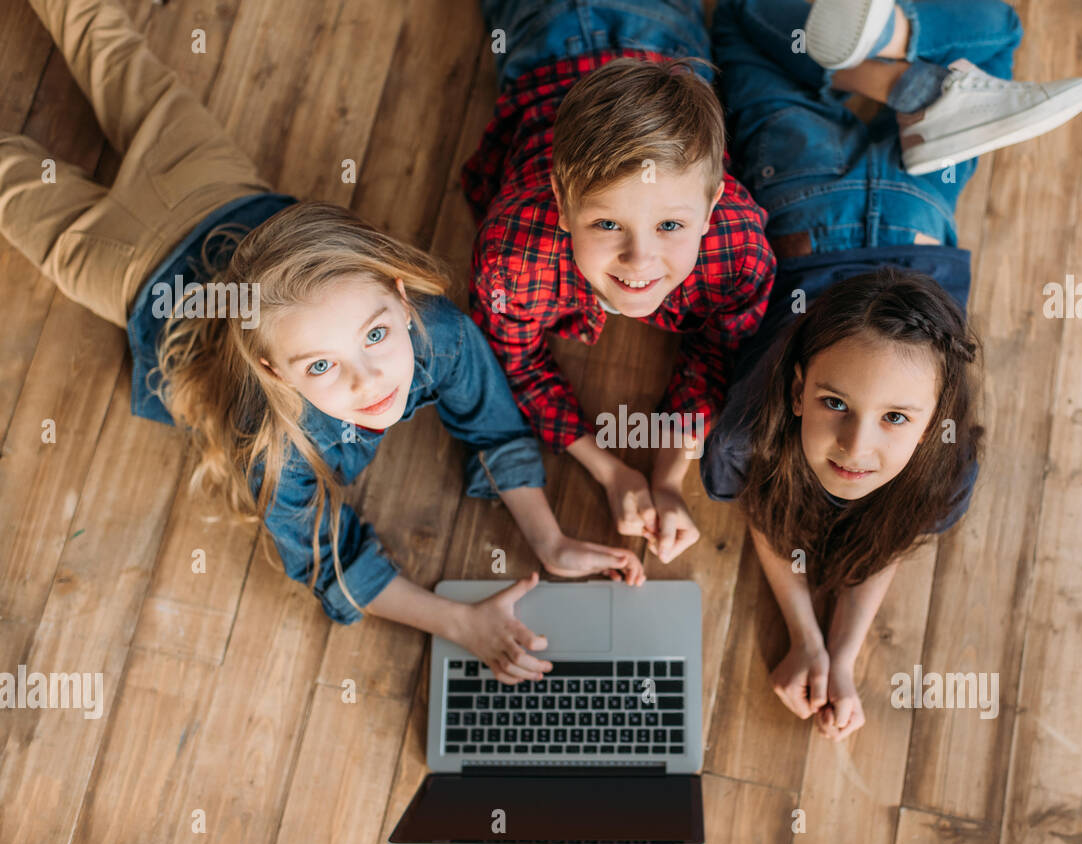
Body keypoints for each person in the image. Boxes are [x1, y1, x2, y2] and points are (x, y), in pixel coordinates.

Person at [0, 0, 644, 685]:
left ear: (402, 294)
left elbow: (489, 416)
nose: (369, 380)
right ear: (270, 368)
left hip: (208, 187)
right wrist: (458, 621)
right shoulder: (269, 443)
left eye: (374, 334)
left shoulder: (437, 332)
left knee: (103, 40)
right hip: (124, 262)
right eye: (321, 365)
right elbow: (326, 556)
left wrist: (547, 537)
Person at [704, 0, 1082, 739]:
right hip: (907, 191)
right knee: (993, 26)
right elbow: (877, 534)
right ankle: (903, 69)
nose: (856, 450)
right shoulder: (940, 477)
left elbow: (770, 510)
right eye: (851, 407)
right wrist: (835, 653)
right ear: (938, 419)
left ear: (794, 386)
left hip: (809, 187)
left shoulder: (741, 439)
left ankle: (904, 67)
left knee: (742, 18)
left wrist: (813, 640)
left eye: (885, 416)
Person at [462, 0, 777, 565]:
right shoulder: (512, 257)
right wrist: (609, 471)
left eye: (671, 225)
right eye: (607, 223)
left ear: (713, 206)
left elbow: (718, 352)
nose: (640, 258)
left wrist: (668, 475)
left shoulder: (739, 249)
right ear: (561, 203)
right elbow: (516, 362)